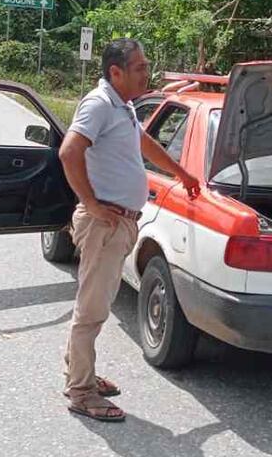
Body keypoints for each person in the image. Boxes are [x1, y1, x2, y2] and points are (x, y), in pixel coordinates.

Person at [58, 39, 200, 423]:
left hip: (118, 222)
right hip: (104, 223)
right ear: (115, 72)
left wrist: (182, 173)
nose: (146, 73)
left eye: (146, 66)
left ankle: (79, 370)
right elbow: (69, 152)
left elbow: (143, 143)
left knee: (94, 304)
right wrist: (90, 203)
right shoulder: (99, 104)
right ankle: (81, 391)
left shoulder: (123, 106)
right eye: (139, 67)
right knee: (92, 310)